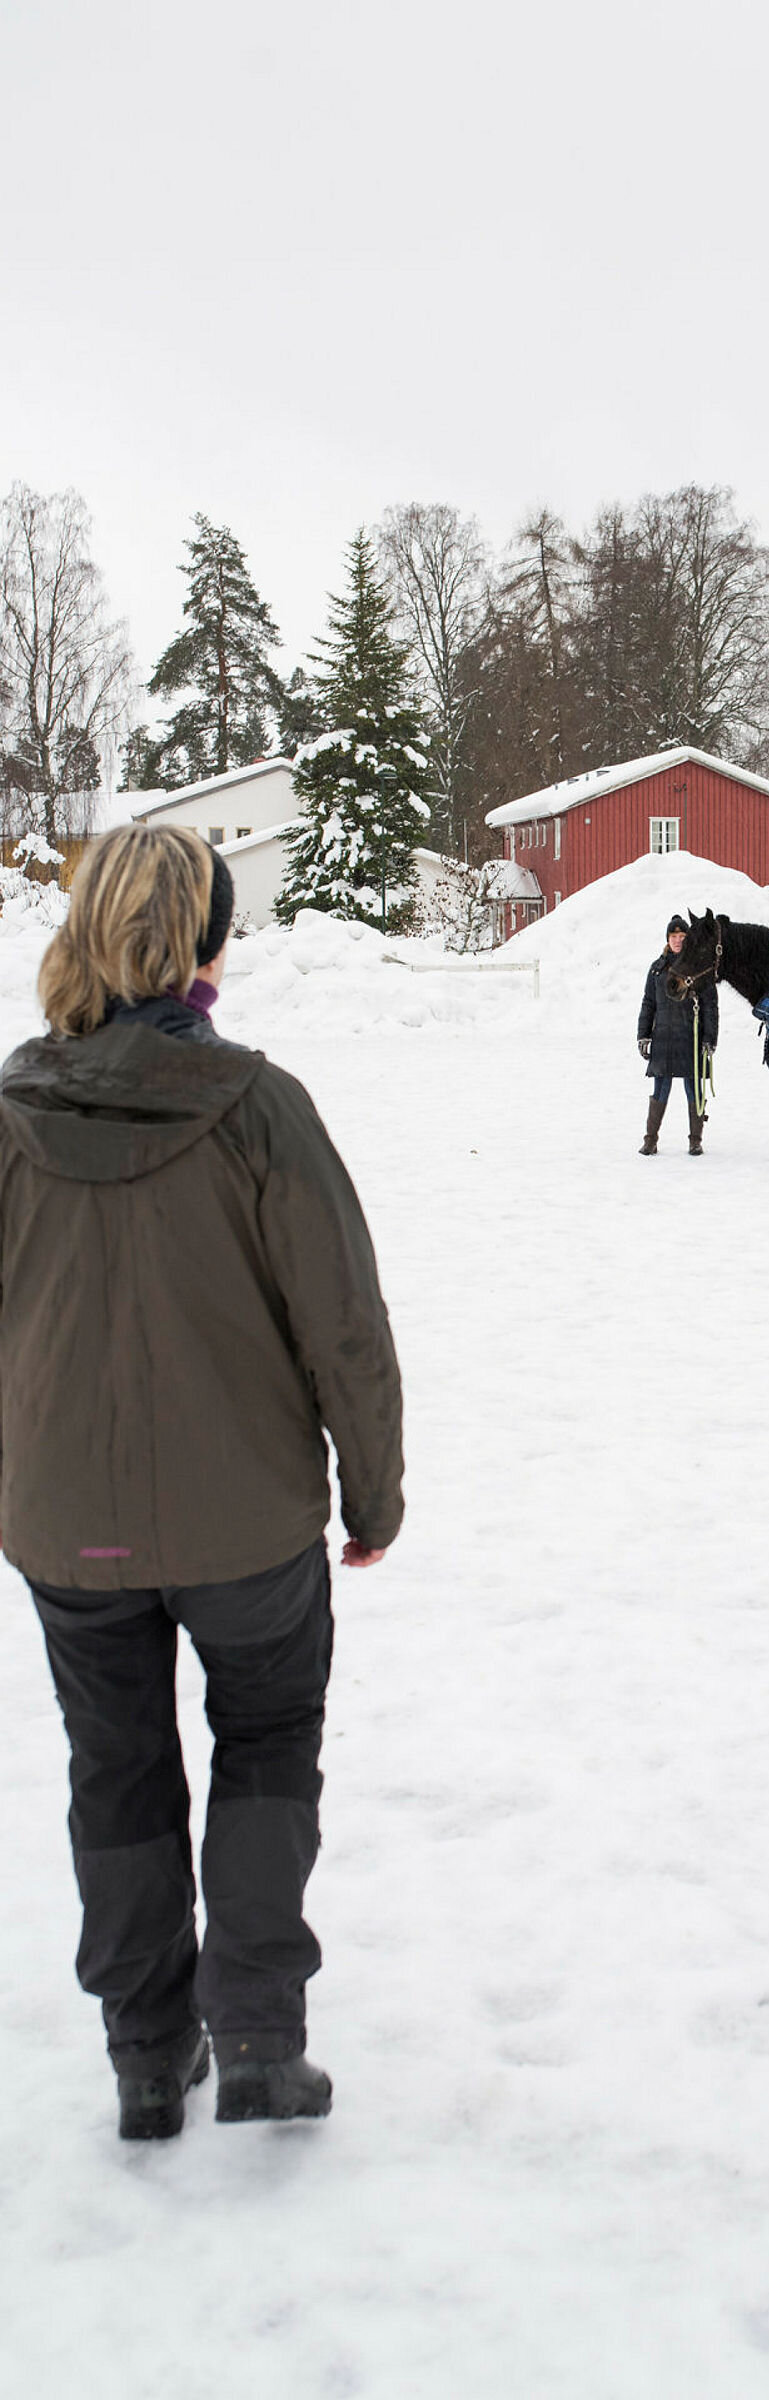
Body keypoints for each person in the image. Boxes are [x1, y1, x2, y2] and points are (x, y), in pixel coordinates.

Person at [0, 824, 404, 2139]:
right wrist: (373, 1493)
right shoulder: (257, 1105)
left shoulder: (11, 1112)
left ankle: (143, 2051)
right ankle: (256, 2040)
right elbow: (342, 1322)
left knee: (113, 1767)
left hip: (70, 1530)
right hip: (247, 1531)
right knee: (267, 1742)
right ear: (207, 943)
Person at [637, 913, 717, 1155]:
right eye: (674, 936)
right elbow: (648, 1003)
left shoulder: (698, 966)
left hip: (690, 1038)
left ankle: (695, 1140)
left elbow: (710, 1006)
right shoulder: (657, 969)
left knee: (694, 1090)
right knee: (660, 1089)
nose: (678, 940)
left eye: (682, 936)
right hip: (663, 1038)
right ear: (668, 939)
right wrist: (643, 1035)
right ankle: (650, 1140)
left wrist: (709, 1039)